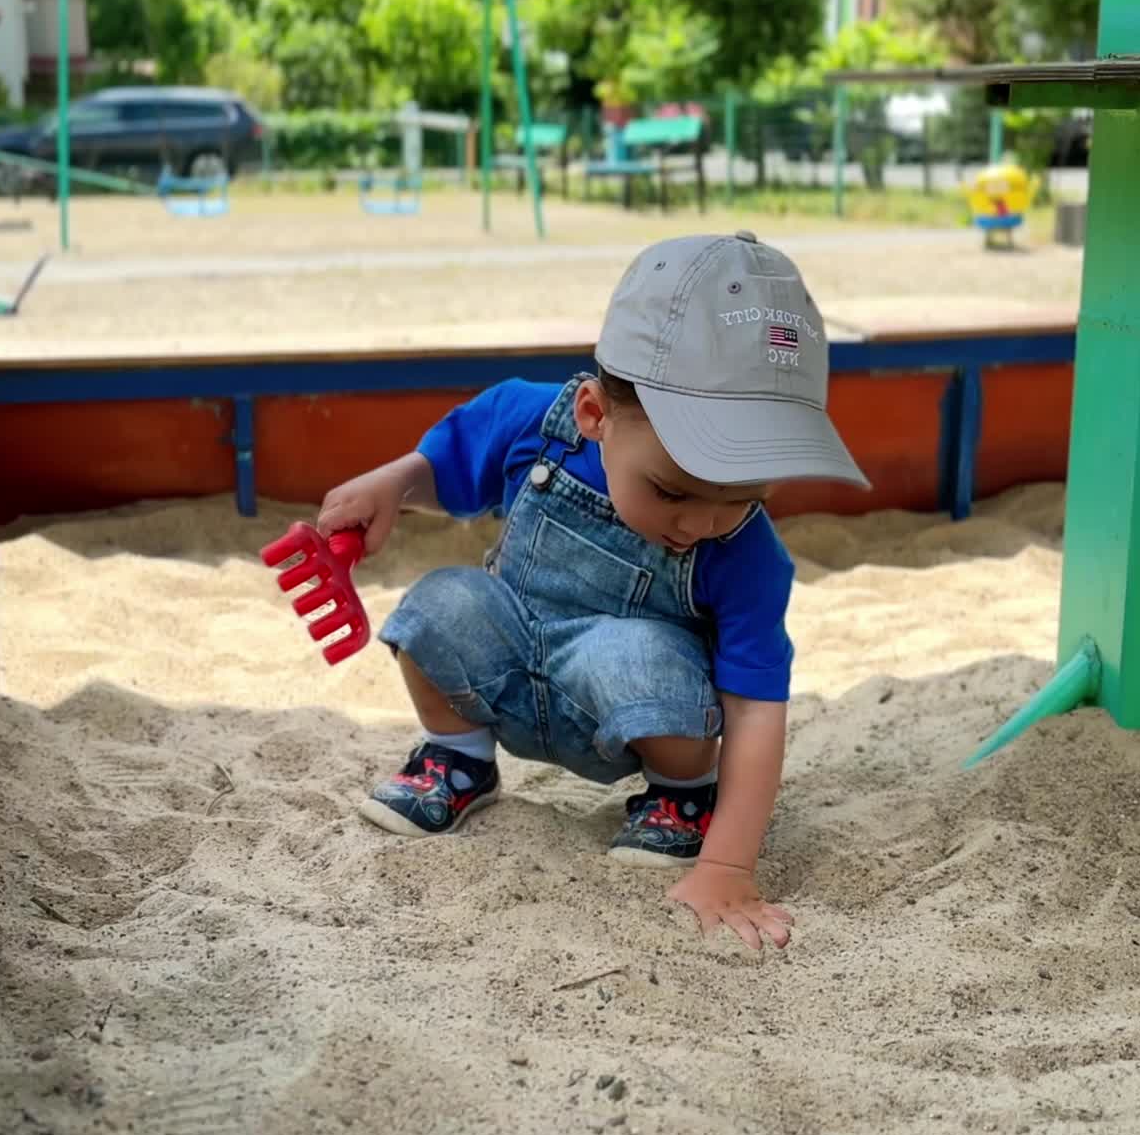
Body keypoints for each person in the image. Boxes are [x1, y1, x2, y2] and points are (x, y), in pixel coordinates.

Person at [317, 231, 869, 950]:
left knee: (635, 653)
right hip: (517, 657)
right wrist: (393, 485)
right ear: (593, 414)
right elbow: (445, 465)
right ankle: (458, 759)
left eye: (743, 497)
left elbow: (757, 710)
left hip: (636, 708)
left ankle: (681, 800)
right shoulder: (530, 422)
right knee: (439, 604)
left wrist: (729, 866)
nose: (703, 522)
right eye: (672, 491)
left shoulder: (747, 555)